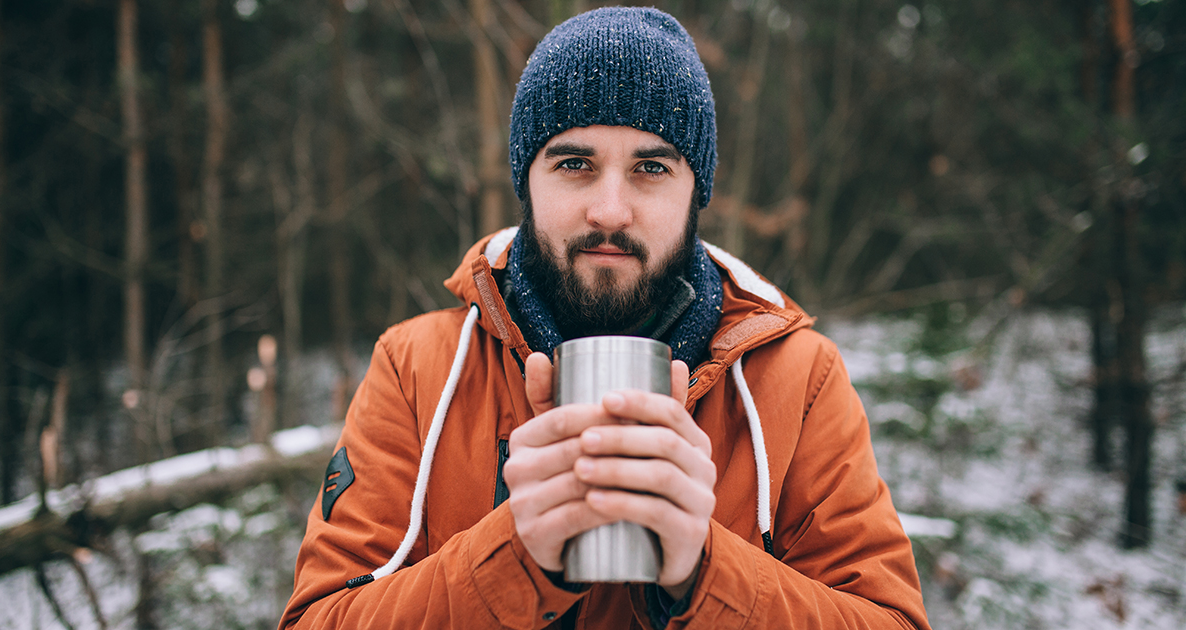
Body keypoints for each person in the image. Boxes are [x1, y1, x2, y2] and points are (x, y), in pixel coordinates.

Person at [280, 7, 930, 629]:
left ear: (695, 192)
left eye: (651, 167)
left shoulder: (797, 378)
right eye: (574, 164)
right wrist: (515, 557)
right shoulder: (419, 366)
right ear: (526, 181)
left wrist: (704, 571)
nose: (610, 210)